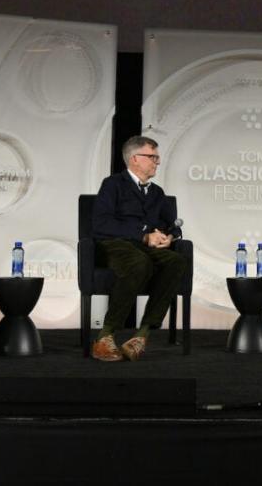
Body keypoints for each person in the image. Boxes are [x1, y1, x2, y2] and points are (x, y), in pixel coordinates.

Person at [90, 135, 188, 362]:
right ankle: (105, 336)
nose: (157, 162)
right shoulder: (113, 184)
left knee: (176, 261)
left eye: (157, 157)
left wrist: (169, 237)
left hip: (147, 248)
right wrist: (144, 235)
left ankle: (141, 335)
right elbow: (101, 223)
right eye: (152, 157)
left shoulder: (158, 193)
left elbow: (172, 225)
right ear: (135, 159)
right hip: (116, 245)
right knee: (139, 262)